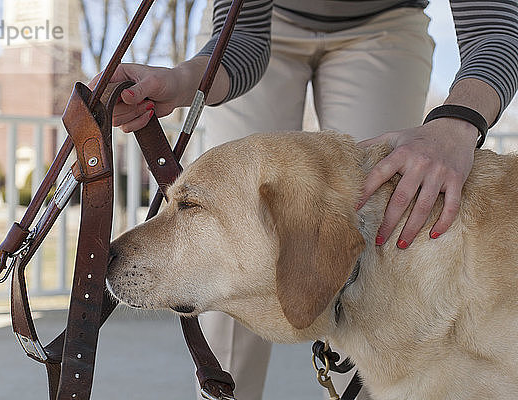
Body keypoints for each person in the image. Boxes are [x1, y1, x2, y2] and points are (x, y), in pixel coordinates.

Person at [94, 1, 518, 398]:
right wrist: (184, 80)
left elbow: (495, 24)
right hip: (264, 26)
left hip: (385, 20)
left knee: (385, 220)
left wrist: (457, 121)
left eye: (185, 208)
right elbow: (243, 34)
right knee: (230, 249)